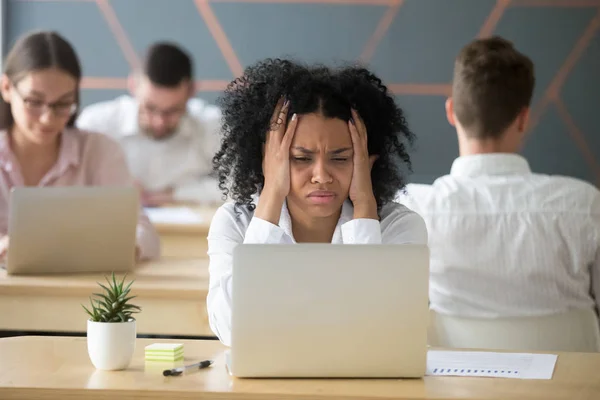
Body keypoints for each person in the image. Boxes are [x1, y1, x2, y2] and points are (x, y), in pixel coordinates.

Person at [206, 59, 428, 345]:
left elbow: (383, 331)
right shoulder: (236, 222)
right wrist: (271, 195)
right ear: (269, 160)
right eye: (301, 159)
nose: (322, 176)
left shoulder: (400, 227)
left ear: (367, 162)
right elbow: (231, 328)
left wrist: (364, 208)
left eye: (340, 158)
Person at [397, 37, 600, 325]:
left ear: (452, 112)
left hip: (448, 372)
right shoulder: (585, 205)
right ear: (523, 118)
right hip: (573, 371)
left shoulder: (413, 208)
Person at [0, 31, 160, 261]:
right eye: (34, 102)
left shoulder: (99, 151)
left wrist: (115, 247)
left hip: (84, 292)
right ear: (6, 87)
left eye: (63, 104)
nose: (47, 118)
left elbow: (146, 237)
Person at [76, 42, 222, 207]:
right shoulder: (97, 123)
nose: (159, 122)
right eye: (150, 108)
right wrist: (110, 184)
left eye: (173, 111)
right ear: (133, 86)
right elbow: (69, 183)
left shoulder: (212, 125)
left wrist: (177, 194)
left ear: (191, 92)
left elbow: (244, 187)